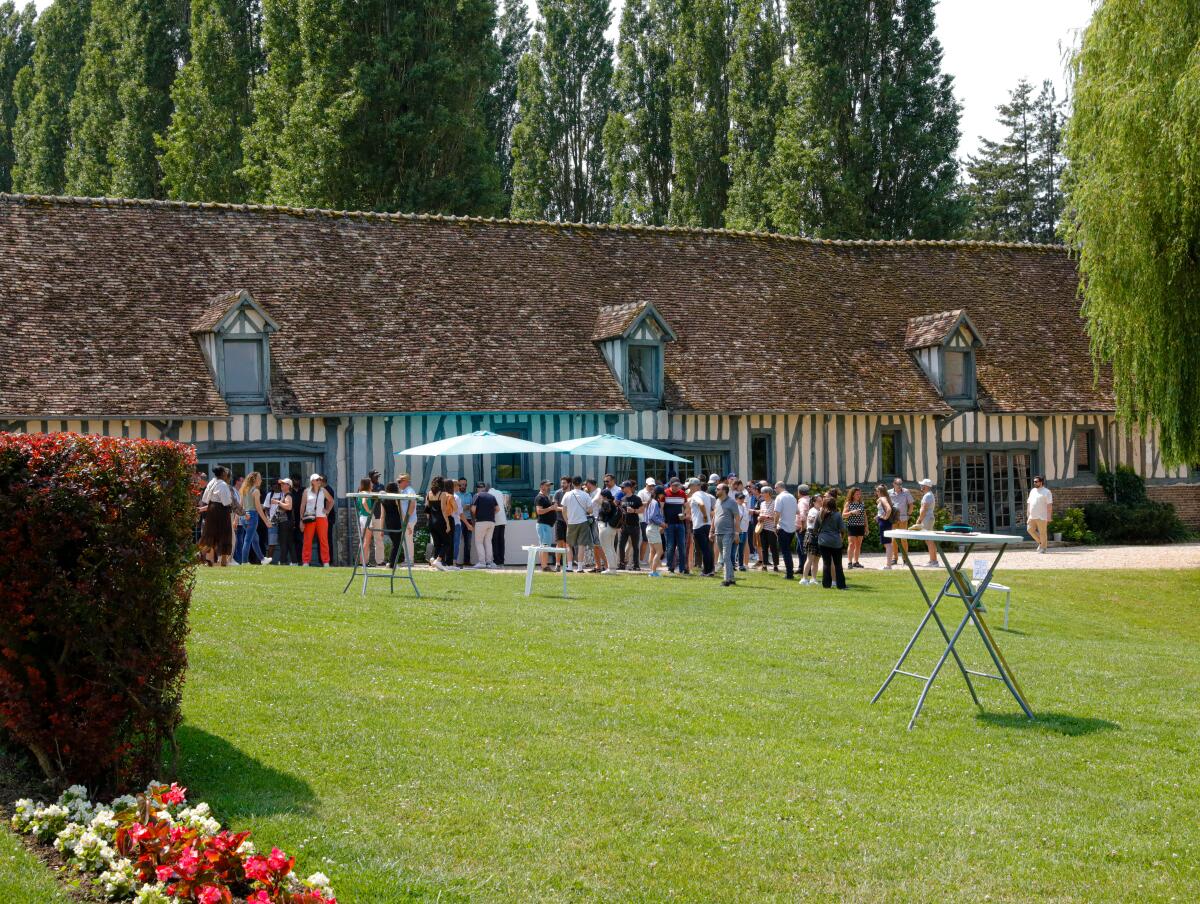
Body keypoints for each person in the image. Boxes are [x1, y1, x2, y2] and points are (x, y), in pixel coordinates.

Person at [199, 467, 235, 566]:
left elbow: (205, 498)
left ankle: (201, 553)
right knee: (225, 534)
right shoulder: (223, 484)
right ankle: (223, 561)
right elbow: (226, 501)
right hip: (221, 510)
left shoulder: (211, 482)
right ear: (223, 474)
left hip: (211, 509)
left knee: (211, 533)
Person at [300, 473, 334, 567]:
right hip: (310, 517)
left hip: (321, 517)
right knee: (307, 540)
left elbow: (331, 501)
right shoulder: (306, 491)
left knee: (324, 540)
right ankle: (306, 561)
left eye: (320, 479)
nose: (319, 481)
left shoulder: (323, 490)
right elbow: (302, 505)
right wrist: (301, 519)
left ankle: (326, 561)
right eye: (317, 480)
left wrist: (327, 511)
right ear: (312, 481)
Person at [561, 476, 594, 573]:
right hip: (583, 522)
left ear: (571, 483)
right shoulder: (586, 495)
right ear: (581, 484)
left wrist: (567, 521)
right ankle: (580, 567)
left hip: (571, 522)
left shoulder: (567, 494)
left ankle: (570, 566)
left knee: (569, 545)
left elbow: (563, 510)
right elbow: (590, 510)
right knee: (581, 545)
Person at [236, 472, 269, 565]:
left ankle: (262, 559)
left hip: (244, 517)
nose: (261, 480)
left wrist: (236, 520)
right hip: (252, 516)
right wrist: (266, 522)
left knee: (255, 539)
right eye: (260, 478)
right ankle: (245, 562)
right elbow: (258, 508)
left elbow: (240, 506)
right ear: (255, 480)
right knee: (248, 540)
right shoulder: (256, 491)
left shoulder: (244, 490)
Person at [711, 483, 740, 586]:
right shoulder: (717, 501)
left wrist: (737, 533)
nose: (715, 490)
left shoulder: (732, 502)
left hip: (728, 533)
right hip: (718, 533)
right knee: (724, 556)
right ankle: (732, 579)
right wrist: (711, 531)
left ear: (724, 491)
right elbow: (714, 517)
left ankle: (726, 580)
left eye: (717, 489)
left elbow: (737, 518)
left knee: (726, 557)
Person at [425, 476, 456, 570]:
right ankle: (438, 560)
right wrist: (447, 523)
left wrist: (429, 520)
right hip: (440, 521)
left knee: (437, 543)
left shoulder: (428, 494)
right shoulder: (442, 494)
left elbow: (427, 510)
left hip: (431, 521)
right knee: (447, 542)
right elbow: (443, 510)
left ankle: (434, 560)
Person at [687, 477, 715, 576]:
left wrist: (704, 516)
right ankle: (710, 569)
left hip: (699, 525)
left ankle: (707, 571)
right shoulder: (706, 495)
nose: (690, 489)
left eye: (691, 486)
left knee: (705, 549)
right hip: (707, 525)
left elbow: (701, 504)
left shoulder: (696, 495)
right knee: (708, 549)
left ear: (696, 486)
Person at [817, 497, 847, 589]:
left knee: (826, 563)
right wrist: (842, 538)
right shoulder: (837, 515)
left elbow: (815, 528)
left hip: (823, 541)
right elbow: (843, 529)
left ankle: (826, 584)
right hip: (835, 541)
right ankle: (841, 585)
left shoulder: (820, 513)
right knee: (838, 564)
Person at [380, 481, 412, 569]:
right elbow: (401, 513)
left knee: (395, 543)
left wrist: (382, 529)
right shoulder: (396, 499)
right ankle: (392, 564)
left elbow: (382, 516)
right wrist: (408, 525)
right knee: (397, 544)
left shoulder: (383, 500)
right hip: (396, 522)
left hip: (389, 522)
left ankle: (391, 562)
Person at [663, 477, 689, 574]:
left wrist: (685, 514)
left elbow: (687, 506)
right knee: (670, 546)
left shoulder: (682, 493)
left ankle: (682, 568)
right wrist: (663, 521)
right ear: (670, 485)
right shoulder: (665, 493)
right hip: (669, 524)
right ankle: (670, 567)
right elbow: (661, 508)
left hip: (680, 523)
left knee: (681, 546)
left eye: (678, 485)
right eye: (674, 485)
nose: (676, 487)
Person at [773, 481, 798, 579]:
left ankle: (789, 573)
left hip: (783, 527)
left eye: (775, 488)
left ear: (779, 487)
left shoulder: (779, 497)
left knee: (785, 552)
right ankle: (790, 572)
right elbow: (796, 511)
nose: (775, 490)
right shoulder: (792, 497)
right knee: (787, 552)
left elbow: (777, 513)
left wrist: (774, 526)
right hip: (792, 528)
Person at [887, 478, 914, 567]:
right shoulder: (889, 492)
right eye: (897, 484)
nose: (899, 485)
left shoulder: (906, 492)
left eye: (900, 484)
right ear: (893, 484)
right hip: (893, 518)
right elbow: (886, 504)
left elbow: (911, 504)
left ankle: (905, 559)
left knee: (903, 539)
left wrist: (909, 514)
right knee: (894, 539)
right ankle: (895, 558)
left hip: (903, 518)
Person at [471, 481, 498, 568]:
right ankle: (489, 562)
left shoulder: (477, 496)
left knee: (479, 542)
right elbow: (497, 509)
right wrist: (489, 513)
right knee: (488, 542)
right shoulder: (492, 496)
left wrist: (478, 514)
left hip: (480, 521)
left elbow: (473, 509)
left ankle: (482, 562)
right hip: (491, 521)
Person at [394, 473, 418, 567]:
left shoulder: (410, 490)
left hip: (409, 519)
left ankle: (410, 560)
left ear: (406, 482)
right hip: (406, 519)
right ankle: (407, 559)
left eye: (399, 481)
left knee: (408, 540)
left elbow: (412, 504)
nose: (398, 483)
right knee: (405, 540)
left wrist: (407, 518)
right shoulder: (404, 491)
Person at [353, 477, 378, 566]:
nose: (372, 484)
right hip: (367, 517)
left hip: (362, 517)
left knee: (363, 540)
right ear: (368, 484)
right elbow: (364, 502)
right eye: (370, 483)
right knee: (367, 541)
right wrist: (369, 511)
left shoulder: (361, 492)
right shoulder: (366, 493)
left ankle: (362, 561)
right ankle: (364, 562)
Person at [618, 481, 643, 570]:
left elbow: (642, 509)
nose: (621, 489)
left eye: (623, 487)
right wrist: (620, 525)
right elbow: (620, 513)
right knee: (621, 546)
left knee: (635, 546)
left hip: (634, 526)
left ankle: (636, 565)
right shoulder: (622, 499)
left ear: (628, 487)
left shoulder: (636, 498)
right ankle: (621, 564)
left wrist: (634, 511)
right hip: (624, 526)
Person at [272, 478, 297, 565]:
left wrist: (278, 502)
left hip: (285, 522)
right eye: (281, 484)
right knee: (289, 542)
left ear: (288, 486)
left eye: (283, 484)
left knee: (283, 542)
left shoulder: (288, 495)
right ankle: (294, 562)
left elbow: (289, 507)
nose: (281, 485)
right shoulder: (285, 495)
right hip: (287, 522)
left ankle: (283, 561)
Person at [534, 479, 558, 571]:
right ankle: (545, 566)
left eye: (549, 486)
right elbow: (539, 511)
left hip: (545, 525)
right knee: (545, 546)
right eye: (547, 485)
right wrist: (551, 508)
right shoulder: (540, 497)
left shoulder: (545, 497)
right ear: (541, 486)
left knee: (543, 546)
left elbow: (551, 509)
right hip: (543, 525)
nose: (548, 487)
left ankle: (544, 565)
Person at [597, 488, 621, 574]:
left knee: (607, 548)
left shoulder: (605, 503)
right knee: (611, 548)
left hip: (605, 527)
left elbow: (605, 514)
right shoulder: (612, 503)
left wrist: (601, 502)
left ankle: (611, 568)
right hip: (611, 528)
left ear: (605, 496)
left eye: (601, 496)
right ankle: (613, 568)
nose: (600, 497)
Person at [1027, 475, 1053, 553]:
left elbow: (1049, 505)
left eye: (1036, 481)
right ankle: (1041, 543)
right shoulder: (1032, 491)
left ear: (1041, 482)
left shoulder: (1047, 492)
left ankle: (1043, 548)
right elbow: (1029, 503)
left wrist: (1049, 516)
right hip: (1032, 516)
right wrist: (1028, 515)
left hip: (1042, 516)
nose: (1034, 483)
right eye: (1034, 481)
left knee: (1042, 532)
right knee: (1030, 530)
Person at [916, 478, 938, 566]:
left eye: (922, 485)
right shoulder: (929, 495)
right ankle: (933, 560)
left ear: (926, 487)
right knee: (929, 540)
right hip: (928, 518)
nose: (921, 487)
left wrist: (919, 519)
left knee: (929, 540)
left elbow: (924, 509)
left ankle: (934, 561)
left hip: (927, 519)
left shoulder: (928, 495)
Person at [843, 487, 867, 568]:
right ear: (852, 495)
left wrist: (866, 527)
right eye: (857, 494)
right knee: (851, 544)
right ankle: (849, 562)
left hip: (861, 526)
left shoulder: (862, 503)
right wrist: (851, 512)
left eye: (859, 494)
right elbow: (843, 515)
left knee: (858, 545)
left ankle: (856, 562)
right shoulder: (848, 503)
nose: (859, 495)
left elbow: (865, 516)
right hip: (852, 526)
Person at [645, 485, 666, 577]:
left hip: (649, 527)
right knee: (659, 551)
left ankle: (652, 571)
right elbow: (653, 517)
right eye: (662, 494)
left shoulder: (651, 501)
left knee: (652, 551)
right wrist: (662, 524)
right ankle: (653, 572)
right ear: (659, 494)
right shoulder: (655, 502)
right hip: (653, 528)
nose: (663, 496)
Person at [800, 494, 821, 585]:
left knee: (816, 559)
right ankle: (804, 579)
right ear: (814, 502)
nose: (821, 502)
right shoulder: (813, 511)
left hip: (817, 535)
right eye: (819, 501)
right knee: (810, 558)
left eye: (821, 501)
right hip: (812, 534)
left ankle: (813, 579)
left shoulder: (819, 510)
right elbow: (811, 522)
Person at [757, 485, 779, 571]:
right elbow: (760, 514)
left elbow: (777, 516)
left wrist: (766, 517)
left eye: (763, 492)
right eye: (761, 492)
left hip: (772, 528)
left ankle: (775, 565)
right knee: (764, 547)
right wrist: (759, 517)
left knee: (773, 547)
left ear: (769, 493)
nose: (761, 494)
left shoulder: (774, 503)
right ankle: (764, 564)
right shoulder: (762, 503)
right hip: (763, 528)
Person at [874, 484, 894, 570]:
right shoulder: (886, 498)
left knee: (887, 544)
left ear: (879, 491)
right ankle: (888, 564)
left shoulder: (883, 498)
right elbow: (885, 510)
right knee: (888, 543)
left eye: (877, 491)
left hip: (884, 522)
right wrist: (878, 516)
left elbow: (889, 509)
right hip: (886, 522)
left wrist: (884, 517)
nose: (876, 493)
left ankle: (888, 565)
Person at [638, 478, 656, 565]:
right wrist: (649, 502)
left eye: (653, 485)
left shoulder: (654, 492)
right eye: (650, 485)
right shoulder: (641, 492)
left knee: (654, 540)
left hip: (653, 519)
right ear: (646, 484)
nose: (651, 487)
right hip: (644, 519)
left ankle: (652, 559)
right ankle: (641, 559)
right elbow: (638, 503)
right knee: (645, 540)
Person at [490, 484, 509, 566]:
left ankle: (496, 560)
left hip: (495, 519)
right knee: (501, 540)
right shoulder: (500, 492)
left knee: (495, 540)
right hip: (503, 519)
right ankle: (501, 560)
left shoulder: (489, 494)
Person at [734, 490, 750, 571]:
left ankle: (741, 565)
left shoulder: (744, 506)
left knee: (741, 548)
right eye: (740, 498)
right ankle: (733, 564)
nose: (742, 500)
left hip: (744, 530)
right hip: (738, 530)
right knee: (735, 548)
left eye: (743, 498)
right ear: (736, 499)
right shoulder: (735, 506)